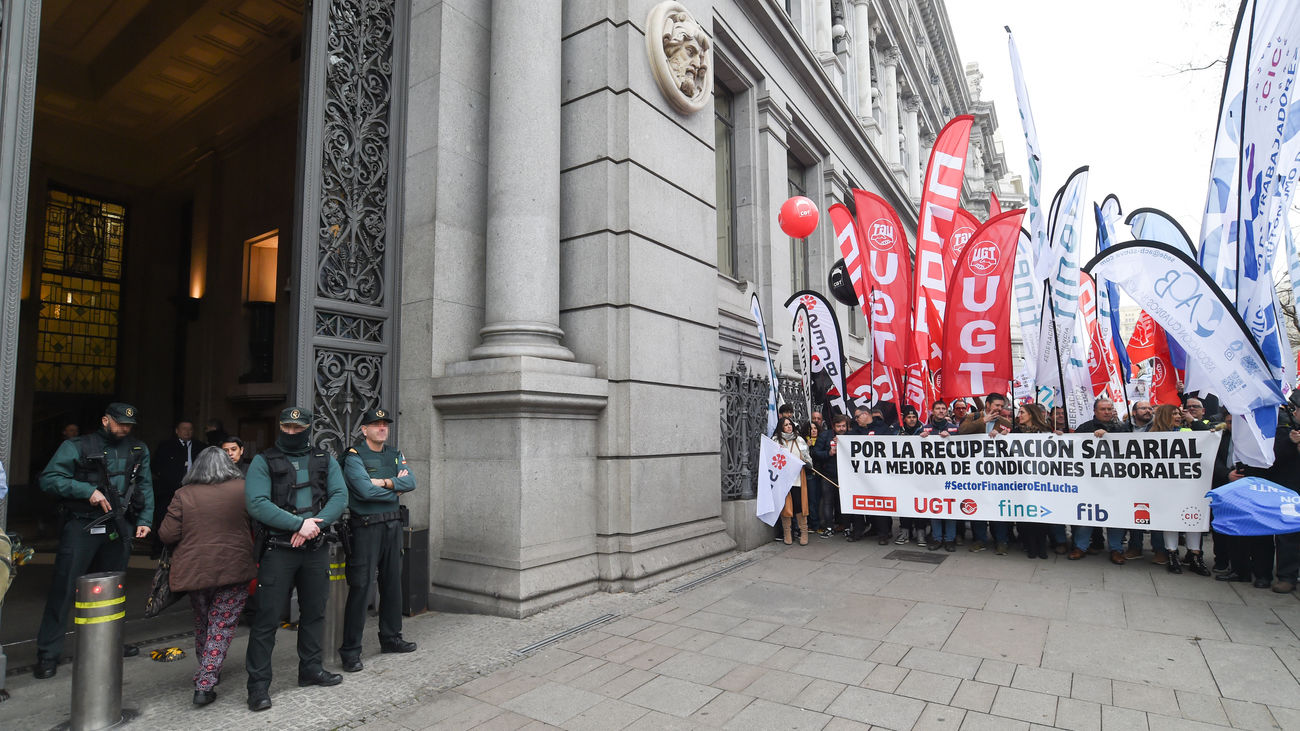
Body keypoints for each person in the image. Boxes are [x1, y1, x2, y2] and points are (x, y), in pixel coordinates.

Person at [33, 402, 154, 679]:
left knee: (112, 589)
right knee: (65, 589)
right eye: (121, 423)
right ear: (104, 420)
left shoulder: (138, 449)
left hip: (117, 525)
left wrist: (145, 520)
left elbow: (145, 485)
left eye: (130, 425)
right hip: (82, 524)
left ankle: (110, 643)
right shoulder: (77, 446)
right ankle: (48, 654)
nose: (126, 429)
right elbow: (49, 479)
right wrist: (87, 491)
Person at [244, 406, 348, 712]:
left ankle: (310, 669)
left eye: (297, 428)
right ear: (280, 427)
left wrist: (313, 525)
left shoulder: (324, 459)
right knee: (266, 619)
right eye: (286, 427)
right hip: (279, 550)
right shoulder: (263, 461)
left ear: (307, 428)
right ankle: (258, 686)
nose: (291, 432)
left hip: (314, 549)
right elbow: (257, 503)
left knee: (314, 612)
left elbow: (340, 497)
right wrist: (297, 524)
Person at [158, 447, 256, 706]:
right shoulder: (243, 489)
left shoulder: (183, 494)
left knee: (203, 620)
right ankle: (205, 683)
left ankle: (207, 671)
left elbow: (167, 535)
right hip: (234, 567)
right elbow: (258, 522)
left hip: (195, 569)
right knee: (221, 625)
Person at [340, 408, 418, 672]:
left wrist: (382, 483)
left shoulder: (394, 453)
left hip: (392, 525)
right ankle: (350, 650)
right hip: (365, 528)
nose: (382, 428)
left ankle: (391, 638)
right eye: (376, 425)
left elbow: (412, 483)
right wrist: (394, 487)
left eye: (385, 424)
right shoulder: (354, 456)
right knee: (361, 587)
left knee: (392, 584)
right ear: (364, 430)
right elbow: (362, 491)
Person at [1145, 405, 1210, 575]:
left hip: (1190, 485)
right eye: (1173, 413)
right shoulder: (1152, 436)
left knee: (1193, 518)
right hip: (1166, 486)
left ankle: (1196, 555)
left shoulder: (1187, 432)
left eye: (1179, 413)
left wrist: (1192, 420)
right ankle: (1172, 554)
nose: (1178, 416)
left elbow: (1208, 435)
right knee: (1170, 520)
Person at [152, 420, 206, 557]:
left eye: (190, 429)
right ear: (177, 431)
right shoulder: (166, 446)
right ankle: (160, 551)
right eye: (184, 429)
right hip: (168, 490)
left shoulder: (201, 447)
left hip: (194, 490)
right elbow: (155, 466)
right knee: (164, 518)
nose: (187, 432)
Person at [1015, 404, 1054, 559]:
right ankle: (1030, 545)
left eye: (1022, 412)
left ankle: (1041, 545)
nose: (1019, 415)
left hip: (1041, 481)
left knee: (1042, 514)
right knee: (1025, 515)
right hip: (1022, 481)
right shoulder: (1015, 432)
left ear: (1031, 414)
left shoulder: (1046, 432)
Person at [772, 417, 812, 545]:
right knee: (786, 506)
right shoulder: (775, 441)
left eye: (790, 424)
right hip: (783, 479)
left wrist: (807, 463)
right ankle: (787, 533)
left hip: (798, 478)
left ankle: (803, 532)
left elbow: (807, 457)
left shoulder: (799, 440)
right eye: (785, 425)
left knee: (799, 505)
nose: (789, 427)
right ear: (781, 427)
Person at [811, 414, 848, 538]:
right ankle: (829, 527)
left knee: (845, 502)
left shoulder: (851, 436)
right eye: (839, 426)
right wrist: (829, 453)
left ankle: (846, 526)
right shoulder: (825, 435)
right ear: (834, 426)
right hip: (828, 475)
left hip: (846, 476)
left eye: (844, 426)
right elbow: (816, 453)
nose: (841, 429)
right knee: (828, 502)